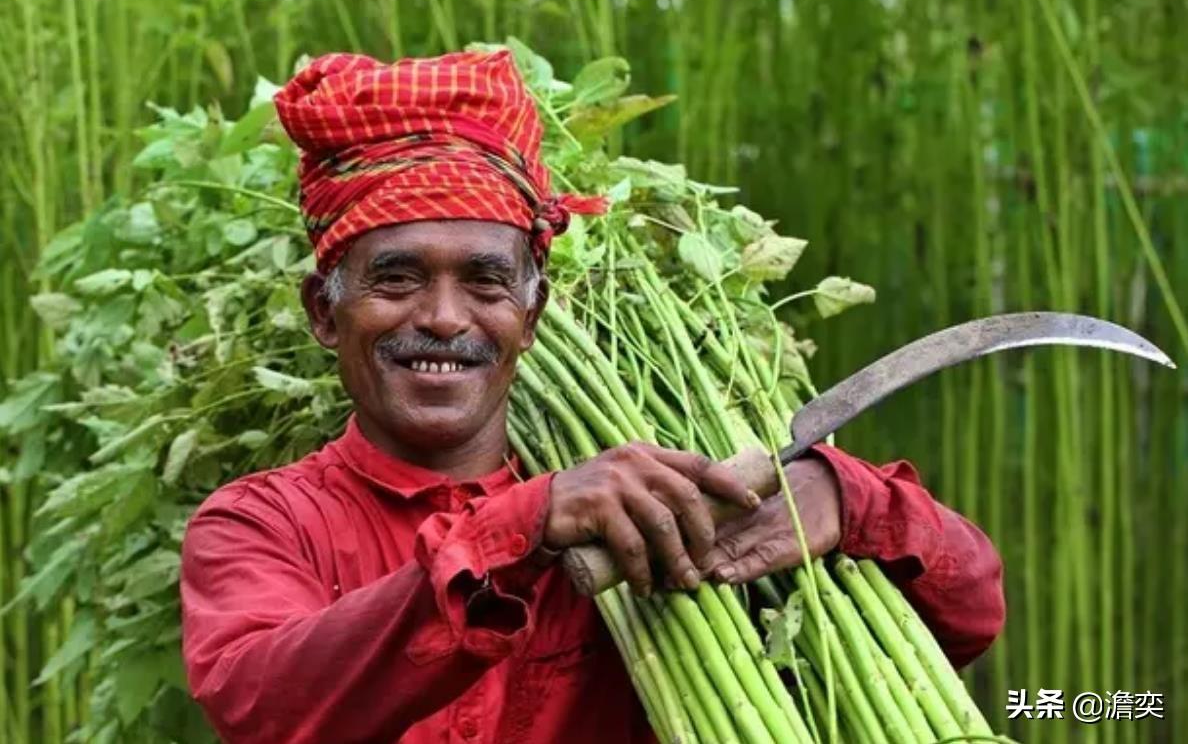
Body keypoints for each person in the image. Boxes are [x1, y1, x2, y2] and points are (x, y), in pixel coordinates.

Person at [180, 50, 1004, 744]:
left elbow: (969, 612)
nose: (441, 316)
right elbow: (265, 700)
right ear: (325, 311)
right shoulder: (260, 523)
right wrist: (523, 526)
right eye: (394, 279)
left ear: (531, 314)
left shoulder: (656, 503)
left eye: (485, 281)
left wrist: (844, 500)